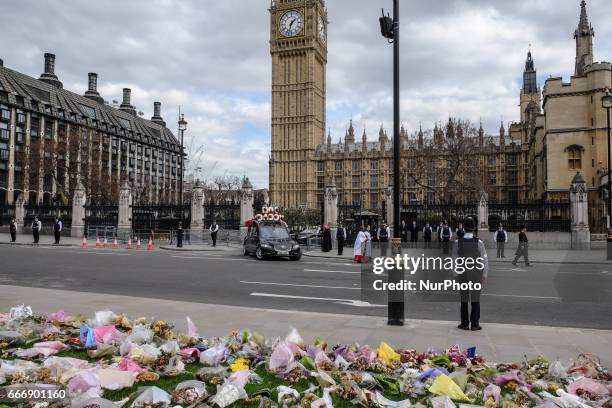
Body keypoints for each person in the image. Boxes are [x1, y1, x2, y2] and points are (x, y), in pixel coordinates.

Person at [452, 217, 488, 331]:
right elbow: (484, 260)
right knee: (475, 299)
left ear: (464, 227)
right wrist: (484, 274)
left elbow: (454, 260)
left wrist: (455, 274)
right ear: (473, 229)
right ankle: (475, 324)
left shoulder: (458, 242)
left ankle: (465, 323)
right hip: (476, 274)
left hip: (463, 274)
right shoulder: (479, 242)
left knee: (464, 299)